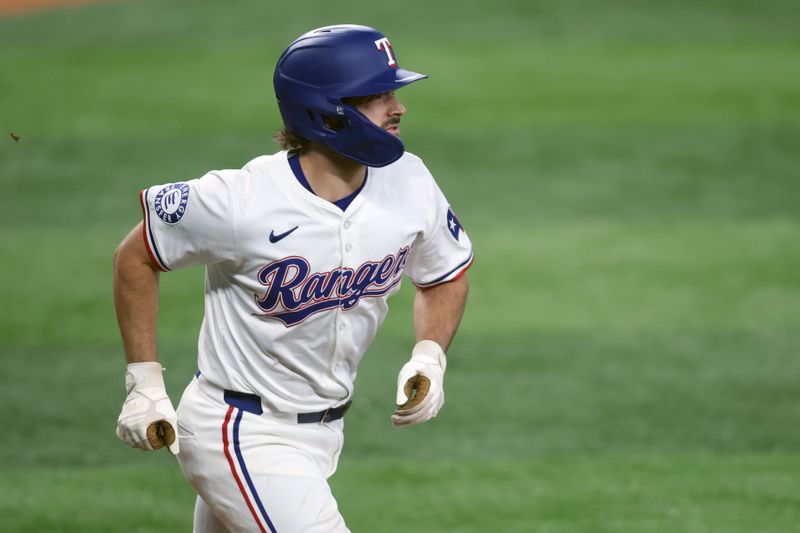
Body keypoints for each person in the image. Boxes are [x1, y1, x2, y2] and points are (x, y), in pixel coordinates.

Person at [113, 24, 473, 532]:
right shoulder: (240, 201)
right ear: (328, 112)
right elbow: (137, 256)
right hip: (239, 432)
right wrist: (143, 383)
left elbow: (444, 273)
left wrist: (429, 356)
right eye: (378, 96)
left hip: (323, 435)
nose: (399, 107)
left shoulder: (410, 180)